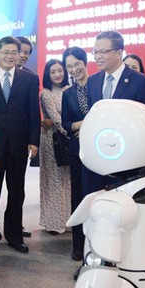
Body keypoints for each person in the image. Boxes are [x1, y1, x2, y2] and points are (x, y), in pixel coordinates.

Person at [0, 36, 40, 254]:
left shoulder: (29, 79)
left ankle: (14, 235)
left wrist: (34, 141)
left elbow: (33, 111)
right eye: (6, 52)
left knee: (16, 192)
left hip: (18, 145)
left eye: (15, 52)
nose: (11, 56)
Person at [85, 31, 145, 195]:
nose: (98, 57)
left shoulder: (140, 82)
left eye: (103, 52)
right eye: (95, 52)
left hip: (128, 162)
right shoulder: (93, 81)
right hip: (99, 158)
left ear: (118, 52)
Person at [60, 47, 90, 261]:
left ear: (85, 62)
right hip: (78, 151)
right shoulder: (68, 93)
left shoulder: (98, 85)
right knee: (78, 198)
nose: (74, 69)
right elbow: (66, 123)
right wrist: (84, 124)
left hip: (102, 150)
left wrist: (87, 127)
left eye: (77, 64)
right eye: (69, 66)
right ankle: (78, 245)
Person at [38, 59, 71, 234]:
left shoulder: (69, 90)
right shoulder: (46, 94)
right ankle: (54, 222)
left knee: (68, 180)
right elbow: (57, 120)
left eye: (60, 70)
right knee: (54, 181)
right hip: (53, 141)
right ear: (47, 75)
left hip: (69, 140)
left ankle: (69, 219)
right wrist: (73, 132)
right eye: (53, 72)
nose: (58, 74)